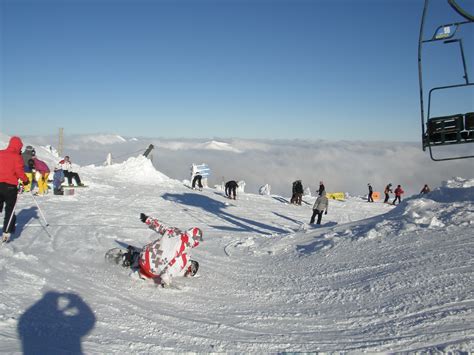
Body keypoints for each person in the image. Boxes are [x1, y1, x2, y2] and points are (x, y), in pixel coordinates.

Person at [136, 213, 203, 287]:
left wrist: (147, 219)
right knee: (171, 262)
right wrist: (166, 278)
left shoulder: (175, 231)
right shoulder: (186, 252)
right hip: (152, 270)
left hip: (145, 254)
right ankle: (145, 272)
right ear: (196, 242)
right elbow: (176, 265)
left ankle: (136, 259)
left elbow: (160, 226)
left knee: (157, 246)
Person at [0, 137, 29, 242]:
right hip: (10, 187)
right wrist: (25, 181)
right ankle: (6, 232)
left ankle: (9, 228)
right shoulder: (17, 157)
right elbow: (19, 172)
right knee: (9, 210)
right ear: (18, 146)